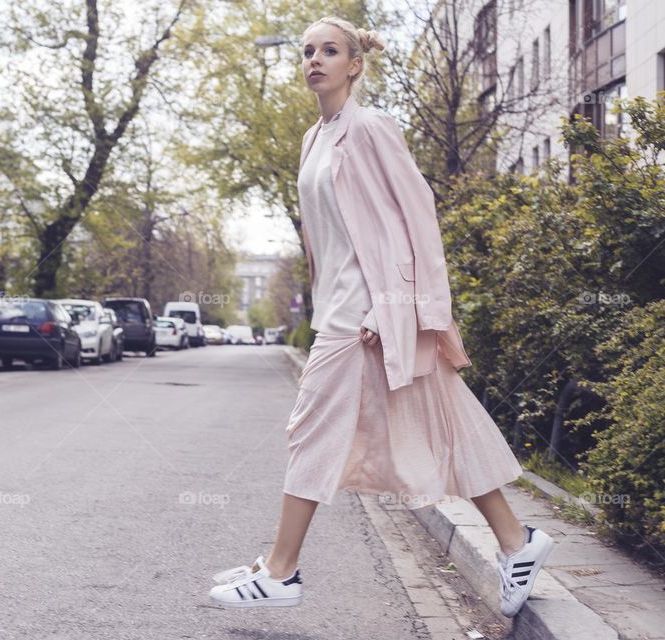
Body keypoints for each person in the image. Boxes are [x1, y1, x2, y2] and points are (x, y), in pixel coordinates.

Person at [208, 16, 554, 618]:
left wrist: (394, 305)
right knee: (443, 423)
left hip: (367, 318)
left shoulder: (371, 128)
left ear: (355, 65)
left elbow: (415, 215)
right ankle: (518, 543)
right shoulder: (315, 138)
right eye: (309, 51)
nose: (315, 59)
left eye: (330, 51)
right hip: (344, 313)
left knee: (311, 431)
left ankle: (280, 570)